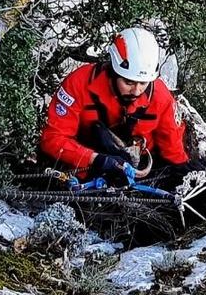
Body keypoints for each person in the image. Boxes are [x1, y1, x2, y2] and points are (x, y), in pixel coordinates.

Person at [40, 27, 189, 181]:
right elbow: (52, 138)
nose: (136, 91)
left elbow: (173, 150)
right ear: (113, 71)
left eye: (143, 83)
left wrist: (184, 175)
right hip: (85, 169)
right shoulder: (79, 84)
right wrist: (94, 159)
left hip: (138, 173)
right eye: (128, 82)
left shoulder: (160, 97)